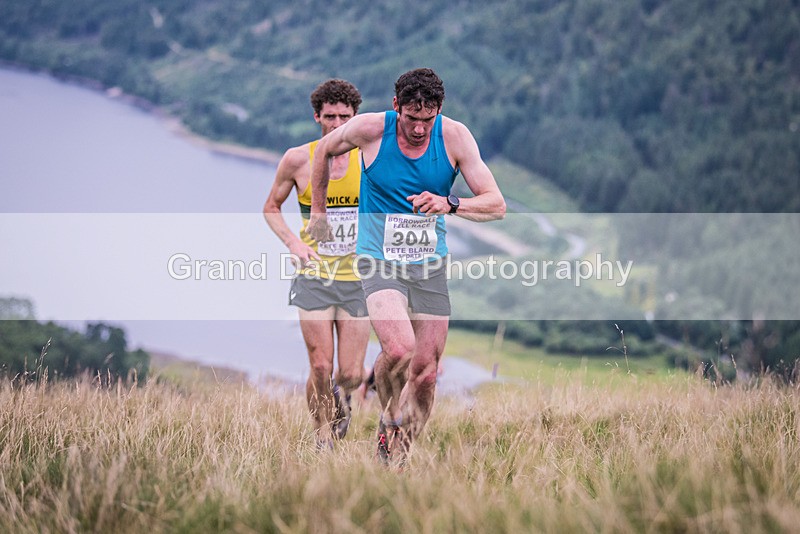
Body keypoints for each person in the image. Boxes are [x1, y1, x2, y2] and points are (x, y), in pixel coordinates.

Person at [307, 68, 506, 465]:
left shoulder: (454, 137)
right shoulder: (370, 129)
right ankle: (390, 415)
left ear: (439, 111)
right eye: (411, 118)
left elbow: (496, 204)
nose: (418, 129)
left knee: (427, 373)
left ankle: (397, 456)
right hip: (378, 258)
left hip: (429, 264)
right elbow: (325, 151)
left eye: (426, 120)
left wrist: (451, 204)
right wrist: (318, 211)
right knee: (399, 349)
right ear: (396, 106)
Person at [263, 79, 370, 449]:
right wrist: (293, 242)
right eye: (330, 116)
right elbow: (271, 207)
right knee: (320, 366)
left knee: (351, 374)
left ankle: (345, 400)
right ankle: (321, 437)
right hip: (315, 276)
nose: (337, 124)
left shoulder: (370, 157)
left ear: (355, 117)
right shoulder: (298, 159)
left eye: (345, 116)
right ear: (317, 117)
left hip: (359, 278)